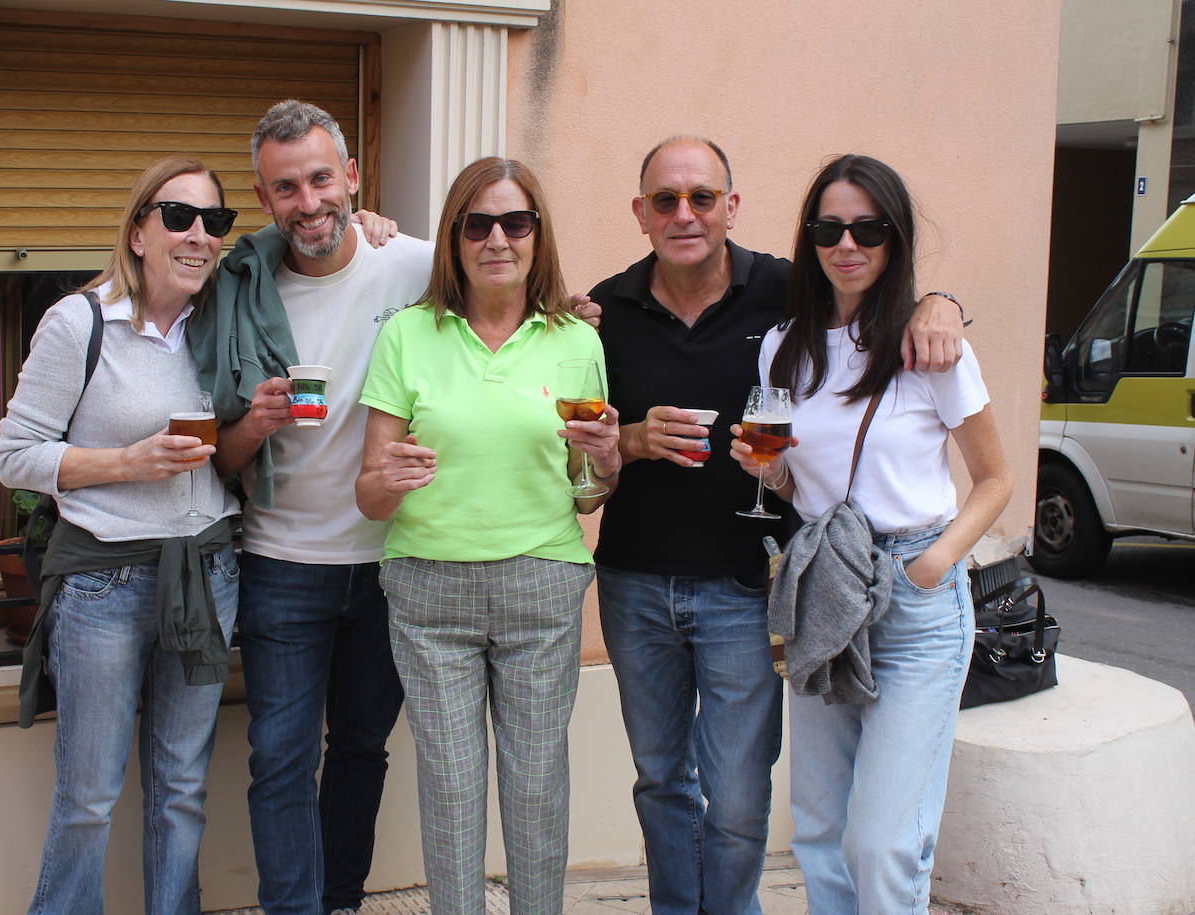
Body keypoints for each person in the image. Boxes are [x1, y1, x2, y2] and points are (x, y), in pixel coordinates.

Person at [587, 135, 967, 914]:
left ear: (733, 204)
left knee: (734, 793)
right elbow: (583, 442)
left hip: (744, 585)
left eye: (702, 197)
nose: (685, 214)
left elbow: (883, 287)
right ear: (640, 213)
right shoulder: (605, 310)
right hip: (635, 582)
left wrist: (944, 304)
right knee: (662, 779)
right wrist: (631, 438)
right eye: (666, 200)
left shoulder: (788, 290)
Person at [732, 153, 1010, 913]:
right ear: (809, 237)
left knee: (882, 840)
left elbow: (996, 481)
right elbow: (797, 484)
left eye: (868, 227)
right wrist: (771, 471)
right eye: (829, 227)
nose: (846, 244)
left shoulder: (932, 347)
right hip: (826, 584)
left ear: (895, 238)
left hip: (916, 598)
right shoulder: (783, 345)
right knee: (821, 830)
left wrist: (936, 563)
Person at [355, 156, 621, 914]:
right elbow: (369, 493)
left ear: (539, 235)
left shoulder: (577, 340)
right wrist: (392, 477)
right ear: (454, 237)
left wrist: (603, 463)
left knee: (538, 783)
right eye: (479, 223)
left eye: (516, 222)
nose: (497, 238)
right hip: (429, 588)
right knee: (451, 784)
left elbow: (588, 491)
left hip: (542, 581)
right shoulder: (408, 335)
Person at [187, 100, 430, 915]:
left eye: (323, 177)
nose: (309, 201)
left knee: (362, 749)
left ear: (353, 177)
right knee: (281, 759)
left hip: (393, 561)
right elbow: (219, 457)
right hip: (283, 562)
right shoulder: (239, 288)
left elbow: (516, 295)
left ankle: (341, 900)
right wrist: (251, 424)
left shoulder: (417, 266)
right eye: (286, 187)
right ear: (263, 198)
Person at [0, 156, 243, 915]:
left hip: (205, 573)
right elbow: (14, 454)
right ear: (138, 230)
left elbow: (305, 249)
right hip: (104, 582)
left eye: (215, 221)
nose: (198, 235)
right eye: (178, 216)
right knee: (90, 798)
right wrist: (127, 462)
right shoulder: (81, 322)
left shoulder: (222, 320)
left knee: (181, 790)